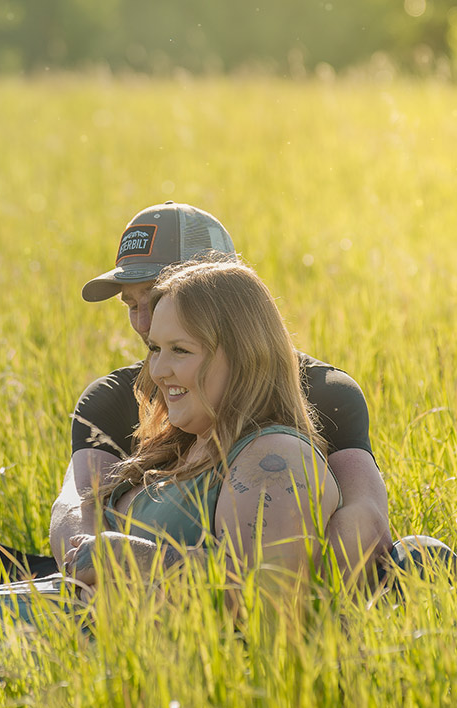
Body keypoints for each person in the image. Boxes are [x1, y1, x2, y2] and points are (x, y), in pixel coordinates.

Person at [0, 258, 340, 668]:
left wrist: (129, 555)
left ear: (245, 354)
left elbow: (264, 602)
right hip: (17, 618)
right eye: (155, 348)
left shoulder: (275, 455)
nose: (158, 369)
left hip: (82, 647)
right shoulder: (190, 443)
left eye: (180, 350)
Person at [51, 202, 390, 585]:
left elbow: (364, 515)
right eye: (132, 304)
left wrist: (307, 581)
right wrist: (103, 575)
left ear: (220, 289)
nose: (144, 322)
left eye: (156, 294)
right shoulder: (113, 399)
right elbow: (78, 504)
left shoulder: (324, 395)